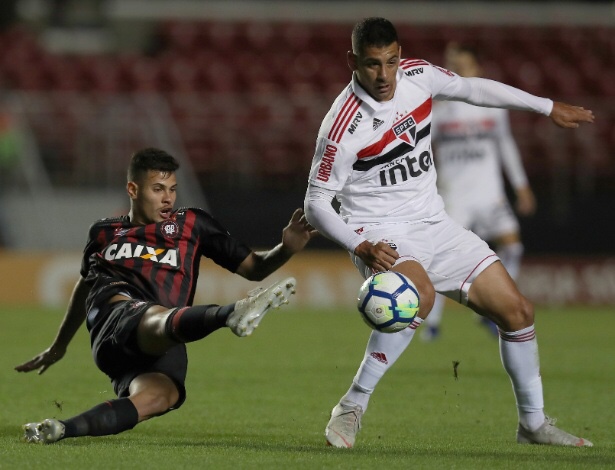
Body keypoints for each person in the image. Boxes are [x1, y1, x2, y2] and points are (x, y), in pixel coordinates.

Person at [303, 17, 594, 448]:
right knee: (416, 295)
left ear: (400, 55)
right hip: (379, 233)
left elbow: (474, 89)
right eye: (371, 65)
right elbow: (315, 203)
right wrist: (359, 245)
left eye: (391, 62)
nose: (384, 76)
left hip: (436, 224)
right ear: (353, 62)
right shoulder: (342, 126)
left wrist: (546, 106)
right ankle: (351, 406)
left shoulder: (418, 76)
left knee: (518, 313)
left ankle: (532, 424)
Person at [16, 147, 317, 444]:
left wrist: (286, 249)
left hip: (165, 336)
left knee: (160, 397)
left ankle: (59, 429)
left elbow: (254, 268)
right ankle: (232, 312)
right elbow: (86, 285)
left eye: (172, 189)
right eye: (158, 188)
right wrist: (59, 345)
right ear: (133, 189)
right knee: (151, 316)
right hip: (117, 321)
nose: (168, 198)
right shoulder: (104, 232)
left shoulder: (193, 224)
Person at [422, 42, 537, 341]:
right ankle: (431, 323)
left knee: (512, 244)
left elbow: (505, 144)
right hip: (454, 194)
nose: (456, 69)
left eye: (461, 63)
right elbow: (420, 149)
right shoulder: (438, 107)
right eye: (452, 64)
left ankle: (497, 308)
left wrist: (521, 185)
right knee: (440, 259)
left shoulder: (491, 104)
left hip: (490, 193)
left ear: (476, 67)